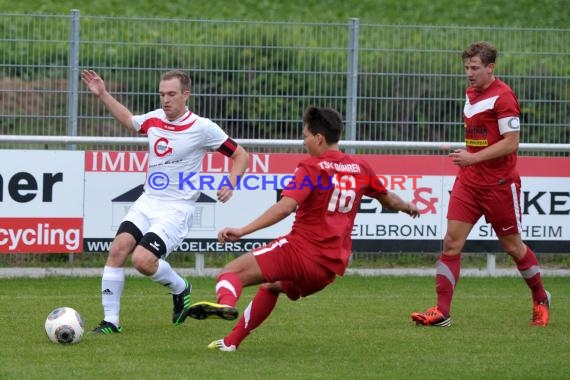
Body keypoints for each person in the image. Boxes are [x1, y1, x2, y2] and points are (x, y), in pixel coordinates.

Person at [185, 106, 420, 351]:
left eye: (306, 135)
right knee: (271, 286)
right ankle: (231, 342)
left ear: (319, 138)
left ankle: (225, 304)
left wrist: (243, 231)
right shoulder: (360, 167)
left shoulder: (311, 168)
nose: (303, 141)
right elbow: (389, 200)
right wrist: (407, 207)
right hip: (328, 269)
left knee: (230, 273)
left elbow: (285, 207)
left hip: (301, 252)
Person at [80, 69, 249, 334]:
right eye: (162, 94)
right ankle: (110, 322)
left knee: (142, 261)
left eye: (171, 94)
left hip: (176, 208)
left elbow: (240, 155)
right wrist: (103, 94)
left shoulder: (203, 128)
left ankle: (181, 288)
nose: (165, 100)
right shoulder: (155, 119)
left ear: (185, 95)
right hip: (148, 201)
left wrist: (230, 182)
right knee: (117, 250)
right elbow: (130, 121)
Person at [411, 41, 550, 327]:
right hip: (469, 183)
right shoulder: (470, 93)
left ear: (490, 67)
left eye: (475, 68)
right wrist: (469, 158)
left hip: (499, 184)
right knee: (451, 243)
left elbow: (511, 143)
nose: (469, 73)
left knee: (513, 248)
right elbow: (482, 136)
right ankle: (442, 312)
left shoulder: (504, 97)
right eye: (466, 68)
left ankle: (540, 297)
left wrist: (473, 158)